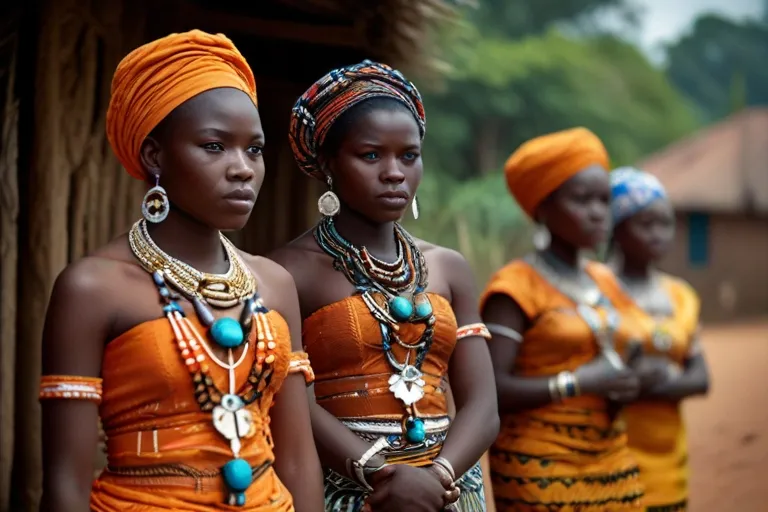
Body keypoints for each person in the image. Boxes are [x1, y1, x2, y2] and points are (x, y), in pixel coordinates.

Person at [38, 30, 324, 511]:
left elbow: (297, 460)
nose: (242, 169)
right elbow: (64, 483)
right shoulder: (93, 289)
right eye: (214, 146)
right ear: (155, 156)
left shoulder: (274, 284)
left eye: (253, 150)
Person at [268, 60, 499, 511]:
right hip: (352, 492)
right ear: (328, 163)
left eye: (408, 156)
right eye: (371, 155)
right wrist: (382, 473)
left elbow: (483, 406)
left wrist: (437, 477)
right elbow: (287, 398)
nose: (395, 172)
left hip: (449, 492)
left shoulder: (448, 268)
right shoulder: (288, 273)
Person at [480, 128, 646, 511]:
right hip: (538, 465)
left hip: (612, 456)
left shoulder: (604, 280)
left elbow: (630, 344)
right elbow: (490, 390)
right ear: (543, 207)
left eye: (604, 200)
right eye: (582, 199)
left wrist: (629, 377)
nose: (598, 212)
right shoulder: (515, 287)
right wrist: (578, 382)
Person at [597, 167, 710, 512]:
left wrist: (650, 383)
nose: (659, 234)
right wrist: (668, 380)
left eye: (665, 223)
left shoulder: (681, 296)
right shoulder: (594, 289)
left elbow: (702, 378)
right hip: (608, 459)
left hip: (669, 464)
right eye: (646, 224)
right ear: (616, 228)